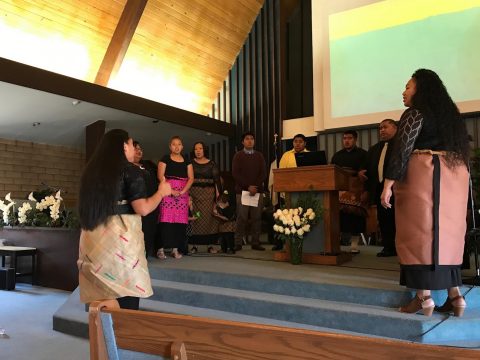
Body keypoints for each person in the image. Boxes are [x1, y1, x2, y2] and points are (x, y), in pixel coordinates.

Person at [381, 69, 470, 317]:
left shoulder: (415, 114)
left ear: (421, 89)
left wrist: (388, 184)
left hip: (424, 174)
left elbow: (402, 148)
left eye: (408, 86)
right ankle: (456, 296)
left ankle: (424, 297)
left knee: (418, 232)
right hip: (454, 176)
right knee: (447, 236)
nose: (404, 91)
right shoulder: (451, 116)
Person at [77, 129, 171, 310]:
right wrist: (161, 192)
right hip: (119, 241)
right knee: (125, 298)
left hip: (92, 241)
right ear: (123, 146)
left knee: (100, 303)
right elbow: (143, 208)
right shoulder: (130, 170)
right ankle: (117, 337)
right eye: (131, 144)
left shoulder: (90, 172)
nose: (133, 149)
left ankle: (101, 338)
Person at [359, 120, 398, 257]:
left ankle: (402, 248)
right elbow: (366, 169)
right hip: (379, 189)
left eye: (385, 127)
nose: (381, 130)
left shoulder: (402, 146)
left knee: (398, 219)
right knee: (384, 220)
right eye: (380, 128)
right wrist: (361, 173)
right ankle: (388, 247)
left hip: (398, 189)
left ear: (395, 128)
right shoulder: (374, 149)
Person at [156, 136, 194, 259]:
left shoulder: (187, 160)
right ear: (170, 146)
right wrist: (170, 190)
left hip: (182, 194)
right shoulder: (165, 158)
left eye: (179, 144)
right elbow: (160, 176)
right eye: (174, 144)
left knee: (179, 223)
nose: (177, 147)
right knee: (165, 221)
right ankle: (160, 249)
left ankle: (175, 249)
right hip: (167, 192)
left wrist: (183, 191)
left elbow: (191, 178)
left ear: (182, 147)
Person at [331, 130, 368, 254]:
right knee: (339, 217)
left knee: (355, 217)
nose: (346, 141)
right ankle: (337, 244)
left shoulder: (363, 154)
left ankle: (354, 245)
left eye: (349, 138)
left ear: (355, 139)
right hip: (340, 189)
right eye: (344, 138)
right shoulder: (337, 155)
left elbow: (366, 173)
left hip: (356, 188)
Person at [232, 131, 267, 251]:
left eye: (252, 138)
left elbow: (263, 173)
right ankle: (238, 243)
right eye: (247, 139)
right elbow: (235, 174)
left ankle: (255, 242)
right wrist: (248, 187)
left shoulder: (259, 156)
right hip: (242, 192)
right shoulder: (238, 156)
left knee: (257, 218)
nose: (250, 141)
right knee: (241, 218)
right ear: (243, 142)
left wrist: (254, 187)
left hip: (257, 191)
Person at [189, 142, 221, 254]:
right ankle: (194, 245)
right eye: (196, 149)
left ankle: (210, 245)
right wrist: (188, 196)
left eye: (200, 148)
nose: (198, 151)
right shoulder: (190, 164)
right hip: (194, 196)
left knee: (210, 219)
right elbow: (187, 180)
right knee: (196, 219)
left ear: (204, 150)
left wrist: (218, 197)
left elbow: (217, 181)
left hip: (209, 196)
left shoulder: (212, 164)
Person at [132, 141, 158, 258]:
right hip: (136, 205)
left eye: (140, 148)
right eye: (136, 148)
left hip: (151, 203)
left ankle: (146, 254)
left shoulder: (148, 165)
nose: (139, 151)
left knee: (149, 229)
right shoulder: (126, 168)